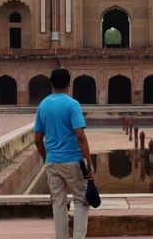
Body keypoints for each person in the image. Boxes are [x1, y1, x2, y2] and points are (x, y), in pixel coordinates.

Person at [33, 68, 95, 239]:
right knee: (81, 201)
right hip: (73, 162)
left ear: (51, 84)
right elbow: (80, 137)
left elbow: (38, 139)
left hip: (53, 162)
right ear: (69, 84)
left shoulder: (43, 105)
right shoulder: (72, 104)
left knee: (58, 204)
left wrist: (47, 159)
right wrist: (89, 163)